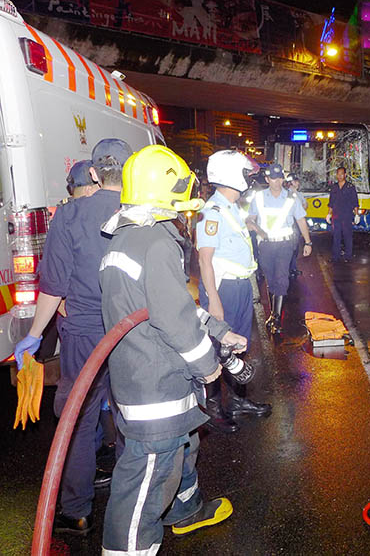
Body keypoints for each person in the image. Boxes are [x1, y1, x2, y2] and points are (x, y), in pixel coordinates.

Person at [99, 145, 245, 553]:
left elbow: (171, 304)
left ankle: (185, 509)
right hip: (155, 383)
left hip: (143, 374)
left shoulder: (128, 236)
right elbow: (175, 321)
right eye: (182, 204)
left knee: (184, 443)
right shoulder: (157, 243)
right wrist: (209, 365)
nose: (186, 214)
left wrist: (219, 331)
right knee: (147, 474)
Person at [13, 138, 131, 535]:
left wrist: (33, 335)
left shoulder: (69, 216)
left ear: (95, 173)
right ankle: (134, 505)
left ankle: (77, 511)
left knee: (77, 420)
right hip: (132, 332)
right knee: (130, 413)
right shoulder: (142, 212)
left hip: (84, 336)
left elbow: (54, 286)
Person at [197, 150, 271, 432]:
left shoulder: (231, 207)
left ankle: (239, 401)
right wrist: (214, 300)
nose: (248, 180)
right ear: (229, 176)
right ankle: (213, 410)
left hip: (239, 286)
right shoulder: (211, 211)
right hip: (222, 289)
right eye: (244, 174)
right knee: (217, 349)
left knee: (237, 345)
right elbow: (205, 258)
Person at [247, 163, 312, 334]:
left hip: (285, 244)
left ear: (283, 179)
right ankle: (273, 314)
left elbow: (301, 220)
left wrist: (308, 242)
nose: (276, 182)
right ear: (267, 179)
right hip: (266, 245)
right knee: (271, 279)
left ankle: (275, 317)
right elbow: (250, 219)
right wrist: (257, 229)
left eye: (279, 178)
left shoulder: (291, 198)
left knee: (282, 278)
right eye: (273, 178)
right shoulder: (259, 198)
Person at [327, 166, 359, 262]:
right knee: (336, 236)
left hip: (347, 216)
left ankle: (348, 256)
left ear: (345, 175)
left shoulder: (350, 187)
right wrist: (329, 214)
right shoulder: (334, 187)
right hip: (336, 216)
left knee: (347, 236)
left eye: (342, 174)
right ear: (336, 175)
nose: (340, 176)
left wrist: (357, 214)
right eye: (338, 174)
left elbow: (355, 202)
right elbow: (331, 202)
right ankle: (335, 256)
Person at [285, 173, 303, 278]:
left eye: (297, 181)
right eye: (295, 181)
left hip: (297, 223)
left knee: (295, 248)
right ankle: (288, 269)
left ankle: (293, 268)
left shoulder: (299, 194)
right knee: (290, 247)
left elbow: (304, 205)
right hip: (290, 223)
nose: (297, 183)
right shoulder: (286, 194)